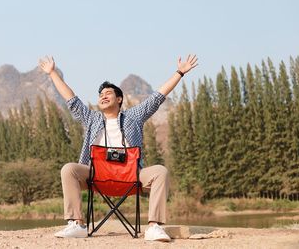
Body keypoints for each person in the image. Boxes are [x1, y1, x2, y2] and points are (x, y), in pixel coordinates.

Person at [38, 55, 198, 242]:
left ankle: (154, 227)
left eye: (108, 93)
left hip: (131, 177)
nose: (103, 96)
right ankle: (77, 224)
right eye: (100, 95)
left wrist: (179, 72)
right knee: (69, 169)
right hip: (96, 176)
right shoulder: (92, 119)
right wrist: (52, 73)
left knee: (160, 171)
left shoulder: (133, 117)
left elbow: (157, 98)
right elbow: (71, 99)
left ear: (119, 99)